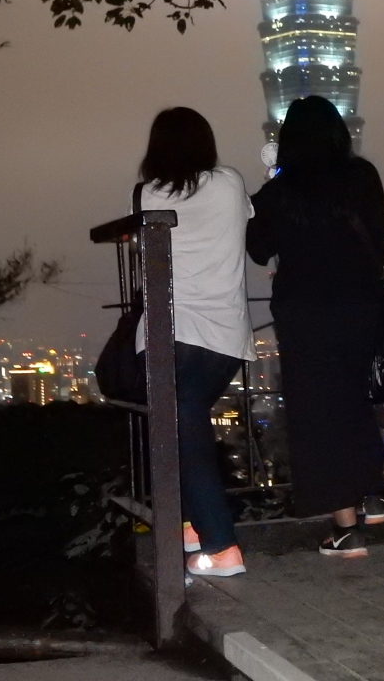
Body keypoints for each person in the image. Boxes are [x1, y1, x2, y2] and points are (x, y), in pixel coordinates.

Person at [247, 96, 384, 559]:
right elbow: (377, 241)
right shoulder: (364, 176)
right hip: (359, 304)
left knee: (316, 415)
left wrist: (271, 182)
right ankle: (373, 491)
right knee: (353, 397)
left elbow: (257, 248)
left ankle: (346, 529)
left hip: (304, 311)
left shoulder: (281, 191)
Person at [135, 107, 254, 578]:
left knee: (180, 421)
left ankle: (220, 544)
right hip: (224, 336)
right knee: (186, 419)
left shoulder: (147, 193)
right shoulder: (229, 183)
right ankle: (194, 526)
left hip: (168, 333)